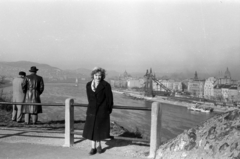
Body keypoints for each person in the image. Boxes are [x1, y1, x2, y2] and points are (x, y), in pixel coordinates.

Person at [82, 67, 114, 155]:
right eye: (96, 75)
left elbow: (110, 99)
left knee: (99, 128)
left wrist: (107, 110)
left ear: (102, 76)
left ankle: (99, 146)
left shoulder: (106, 85)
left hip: (102, 111)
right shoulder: (88, 85)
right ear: (93, 75)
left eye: (99, 75)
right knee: (92, 129)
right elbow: (89, 98)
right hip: (92, 110)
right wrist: (90, 109)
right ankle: (93, 148)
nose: (98, 77)